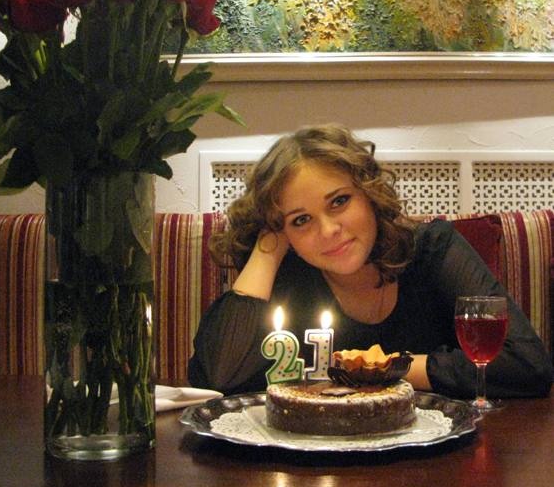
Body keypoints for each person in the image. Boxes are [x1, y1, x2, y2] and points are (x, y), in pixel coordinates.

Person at [188, 124, 553, 398]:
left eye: (339, 201)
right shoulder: (288, 274)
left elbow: (527, 364)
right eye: (301, 220)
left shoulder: (432, 249)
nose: (328, 230)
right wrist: (269, 244)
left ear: (369, 194)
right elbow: (217, 379)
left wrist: (382, 368)